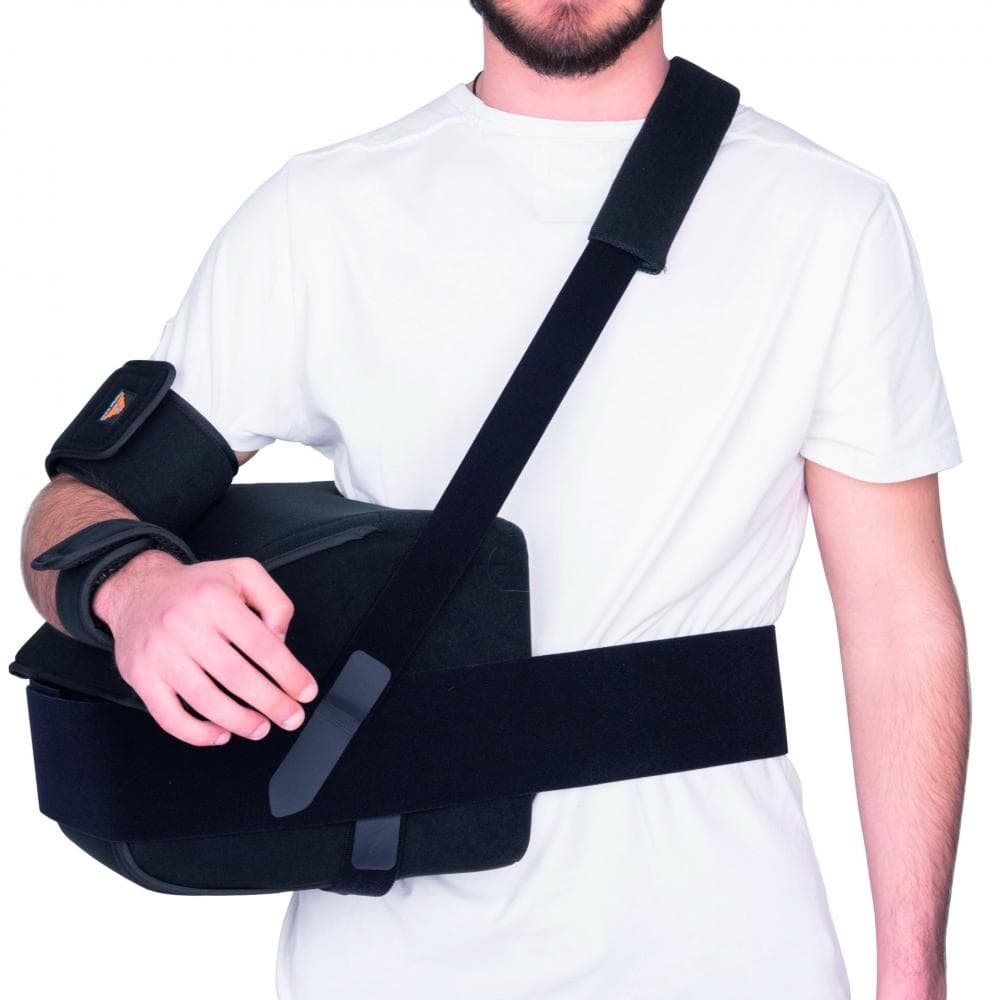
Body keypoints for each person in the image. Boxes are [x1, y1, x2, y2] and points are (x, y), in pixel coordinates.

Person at [20, 2, 969, 998]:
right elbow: (78, 505)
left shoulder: (826, 217)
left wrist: (914, 975)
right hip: (392, 969)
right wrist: (136, 590)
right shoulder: (323, 213)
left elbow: (898, 621)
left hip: (726, 952)